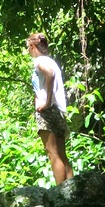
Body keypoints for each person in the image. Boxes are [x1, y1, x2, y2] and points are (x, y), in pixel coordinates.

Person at [26, 32, 73, 185]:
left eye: (28, 47)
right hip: (57, 110)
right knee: (61, 154)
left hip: (46, 111)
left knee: (52, 153)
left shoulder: (40, 62)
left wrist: (46, 102)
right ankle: (71, 190)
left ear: (33, 46)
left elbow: (50, 74)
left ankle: (60, 194)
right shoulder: (51, 61)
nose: (27, 50)